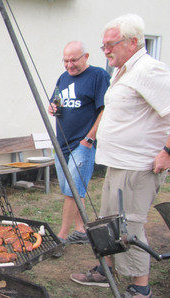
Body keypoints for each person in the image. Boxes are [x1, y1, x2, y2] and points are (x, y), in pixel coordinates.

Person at [70, 14, 170, 298]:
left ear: (133, 42)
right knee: (109, 222)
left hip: (138, 166)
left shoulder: (150, 70)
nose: (106, 51)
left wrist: (167, 152)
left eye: (110, 45)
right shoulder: (123, 70)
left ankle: (141, 288)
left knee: (130, 227)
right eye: (103, 46)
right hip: (117, 163)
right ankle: (105, 271)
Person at [48, 41, 110, 248]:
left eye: (74, 60)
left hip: (82, 145)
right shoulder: (63, 78)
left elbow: (105, 110)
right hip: (62, 144)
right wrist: (53, 107)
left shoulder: (98, 76)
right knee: (74, 189)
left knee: (72, 192)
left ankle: (62, 236)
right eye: (66, 61)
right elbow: (56, 101)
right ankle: (81, 229)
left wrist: (89, 139)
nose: (69, 65)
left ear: (86, 56)